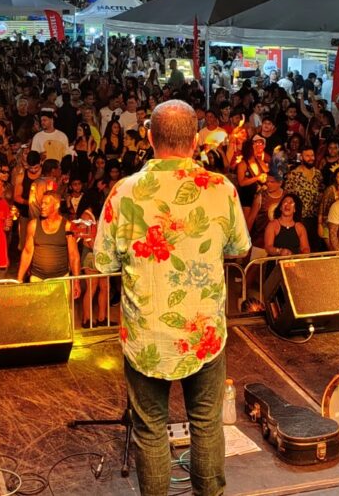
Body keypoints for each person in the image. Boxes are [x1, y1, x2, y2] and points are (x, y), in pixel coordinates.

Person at [93, 99, 251, 496]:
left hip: (146, 336)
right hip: (204, 335)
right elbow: (240, 247)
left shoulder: (123, 192)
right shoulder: (221, 189)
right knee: (207, 424)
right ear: (196, 141)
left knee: (149, 431)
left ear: (149, 138)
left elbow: (104, 262)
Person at [17, 190, 81, 292]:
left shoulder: (68, 226)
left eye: (46, 203)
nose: (42, 206)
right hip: (37, 279)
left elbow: (74, 256)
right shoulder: (33, 225)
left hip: (61, 280)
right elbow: (27, 252)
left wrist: (76, 282)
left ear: (56, 205)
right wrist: (19, 279)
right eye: (42, 203)